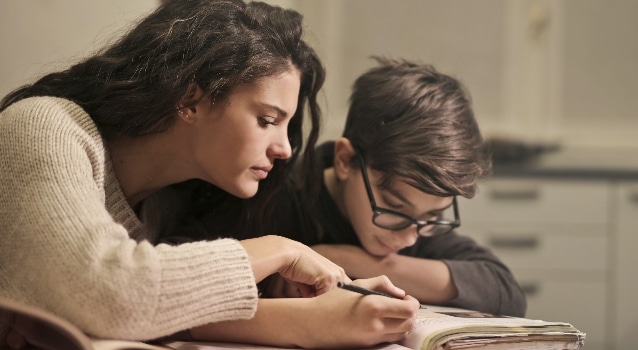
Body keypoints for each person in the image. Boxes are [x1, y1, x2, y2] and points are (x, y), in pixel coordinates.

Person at [0, 1, 418, 349]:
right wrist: (280, 252)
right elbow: (112, 293)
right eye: (267, 119)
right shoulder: (45, 127)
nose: (285, 148)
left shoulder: (168, 201)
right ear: (190, 99)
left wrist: (304, 312)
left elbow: (147, 313)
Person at [170, 57, 527, 317]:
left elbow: (503, 290)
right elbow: (171, 269)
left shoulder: (415, 225)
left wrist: (351, 261)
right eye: (393, 208)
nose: (409, 238)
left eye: (433, 216)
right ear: (344, 160)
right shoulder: (268, 194)